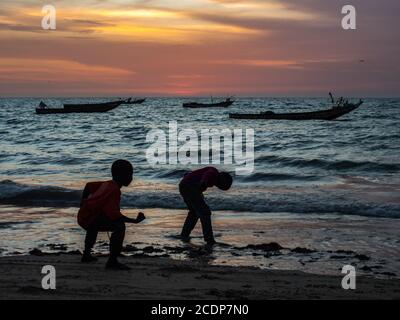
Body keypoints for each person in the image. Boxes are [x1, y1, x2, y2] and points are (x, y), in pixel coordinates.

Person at [77, 159, 146, 270]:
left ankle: (86, 255)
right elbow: (115, 216)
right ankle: (112, 261)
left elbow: (88, 186)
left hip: (85, 216)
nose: (131, 178)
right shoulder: (114, 190)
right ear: (120, 176)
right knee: (120, 226)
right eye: (129, 174)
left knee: (94, 226)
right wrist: (134, 221)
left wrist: (83, 203)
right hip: (89, 218)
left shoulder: (107, 183)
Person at [179, 167, 233, 246]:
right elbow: (208, 175)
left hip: (184, 186)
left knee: (194, 213)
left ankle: (184, 234)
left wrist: (199, 188)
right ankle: (209, 239)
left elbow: (189, 175)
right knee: (205, 212)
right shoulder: (214, 173)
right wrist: (203, 182)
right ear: (222, 179)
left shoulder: (212, 175)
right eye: (223, 186)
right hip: (189, 187)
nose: (219, 187)